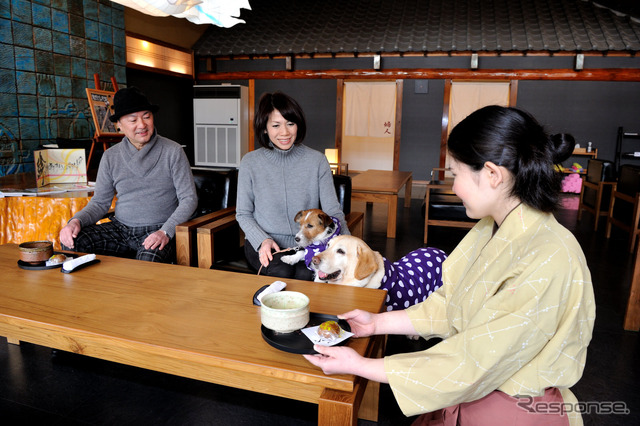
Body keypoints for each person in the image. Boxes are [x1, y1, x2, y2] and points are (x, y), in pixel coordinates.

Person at [304, 105, 595, 425]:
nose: (454, 187)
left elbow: (473, 362)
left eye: (456, 174)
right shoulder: (492, 227)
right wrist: (375, 324)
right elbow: (451, 304)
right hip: (468, 391)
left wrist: (360, 365)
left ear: (492, 174)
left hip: (513, 411)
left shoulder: (549, 257)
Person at [59, 87, 197, 263]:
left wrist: (165, 231)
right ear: (119, 125)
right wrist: (75, 221)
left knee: (147, 261)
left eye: (147, 117)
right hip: (120, 229)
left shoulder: (173, 151)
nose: (142, 124)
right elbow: (100, 203)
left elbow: (189, 199)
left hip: (158, 229)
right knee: (74, 242)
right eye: (133, 120)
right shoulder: (110, 156)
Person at [236, 91, 349, 280]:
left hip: (310, 242)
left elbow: (333, 212)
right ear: (264, 128)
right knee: (282, 271)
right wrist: (262, 240)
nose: (285, 132)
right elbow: (243, 214)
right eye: (276, 125)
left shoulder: (317, 161)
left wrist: (348, 245)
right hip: (264, 242)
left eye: (290, 123)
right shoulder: (250, 162)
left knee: (307, 274)